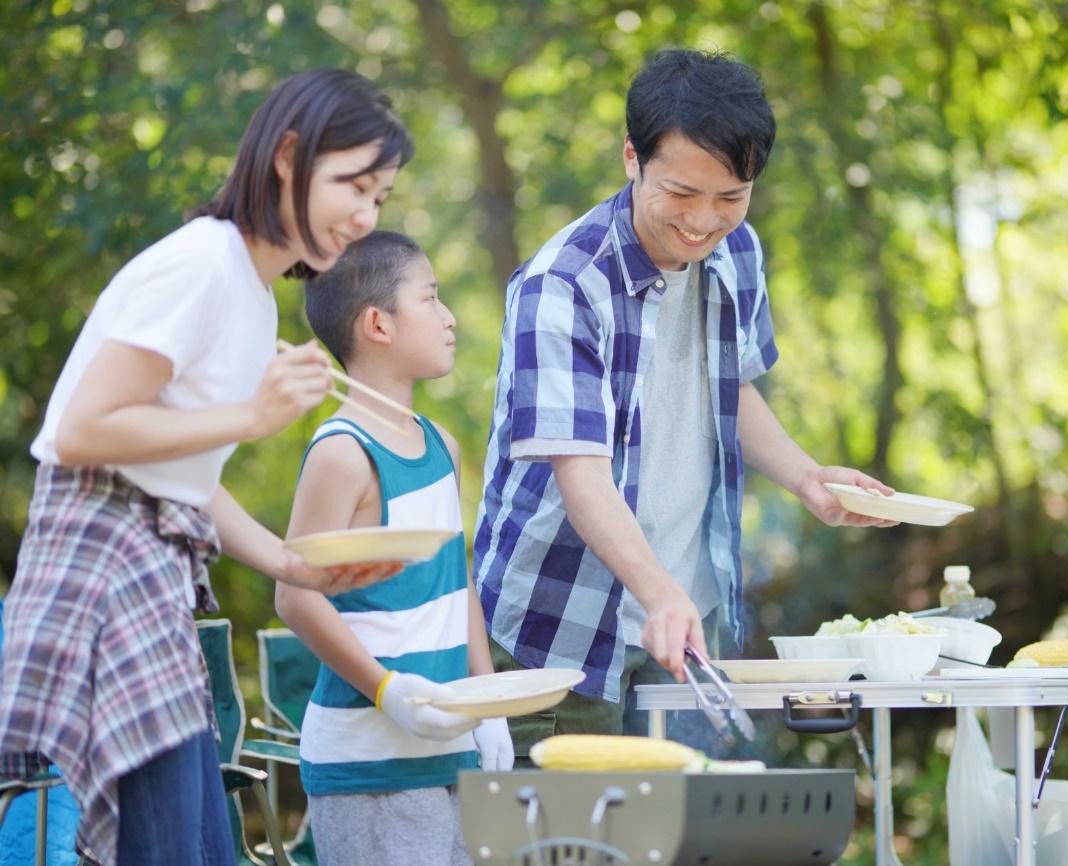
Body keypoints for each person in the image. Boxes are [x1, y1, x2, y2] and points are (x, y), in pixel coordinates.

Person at [0, 68, 414, 866]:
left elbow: (183, 471)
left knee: (193, 843)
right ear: (288, 157)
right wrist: (254, 417)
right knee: (172, 847)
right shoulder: (201, 264)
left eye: (381, 197)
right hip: (102, 567)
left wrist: (295, 565)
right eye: (353, 186)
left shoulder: (252, 297)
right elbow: (83, 430)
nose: (363, 217)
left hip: (148, 576)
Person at [472, 48, 896, 759]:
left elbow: (730, 388)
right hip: (561, 625)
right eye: (682, 193)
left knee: (692, 834)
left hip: (686, 620)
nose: (704, 221)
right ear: (632, 159)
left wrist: (806, 476)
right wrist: (656, 590)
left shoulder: (737, 252)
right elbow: (580, 473)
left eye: (731, 197)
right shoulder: (562, 286)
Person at [277, 230, 513, 866]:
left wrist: (487, 704)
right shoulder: (342, 452)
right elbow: (295, 597)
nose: (449, 316)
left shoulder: (441, 444)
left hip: (452, 749)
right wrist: (388, 692)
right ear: (378, 323)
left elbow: (454, 578)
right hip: (368, 763)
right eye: (431, 298)